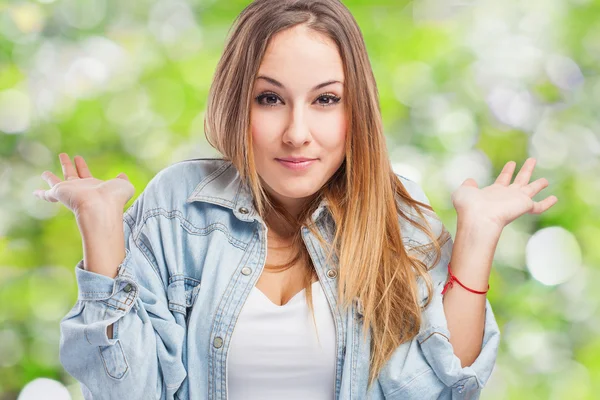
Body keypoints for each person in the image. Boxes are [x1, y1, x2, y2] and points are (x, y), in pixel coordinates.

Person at [33, 0, 558, 399]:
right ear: (237, 102)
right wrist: (101, 226)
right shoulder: (179, 208)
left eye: (326, 100)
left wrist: (478, 237)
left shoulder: (392, 215)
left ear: (357, 112)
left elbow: (438, 387)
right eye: (270, 99)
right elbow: (129, 388)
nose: (297, 133)